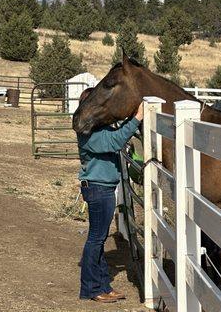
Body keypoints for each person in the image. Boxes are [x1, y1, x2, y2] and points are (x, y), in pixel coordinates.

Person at [76, 88, 143, 303]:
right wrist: (137, 119)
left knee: (99, 238)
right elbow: (114, 142)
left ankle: (102, 285)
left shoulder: (96, 129)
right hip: (98, 189)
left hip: (101, 188)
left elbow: (115, 135)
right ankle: (90, 288)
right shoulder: (88, 134)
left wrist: (130, 118)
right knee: (96, 239)